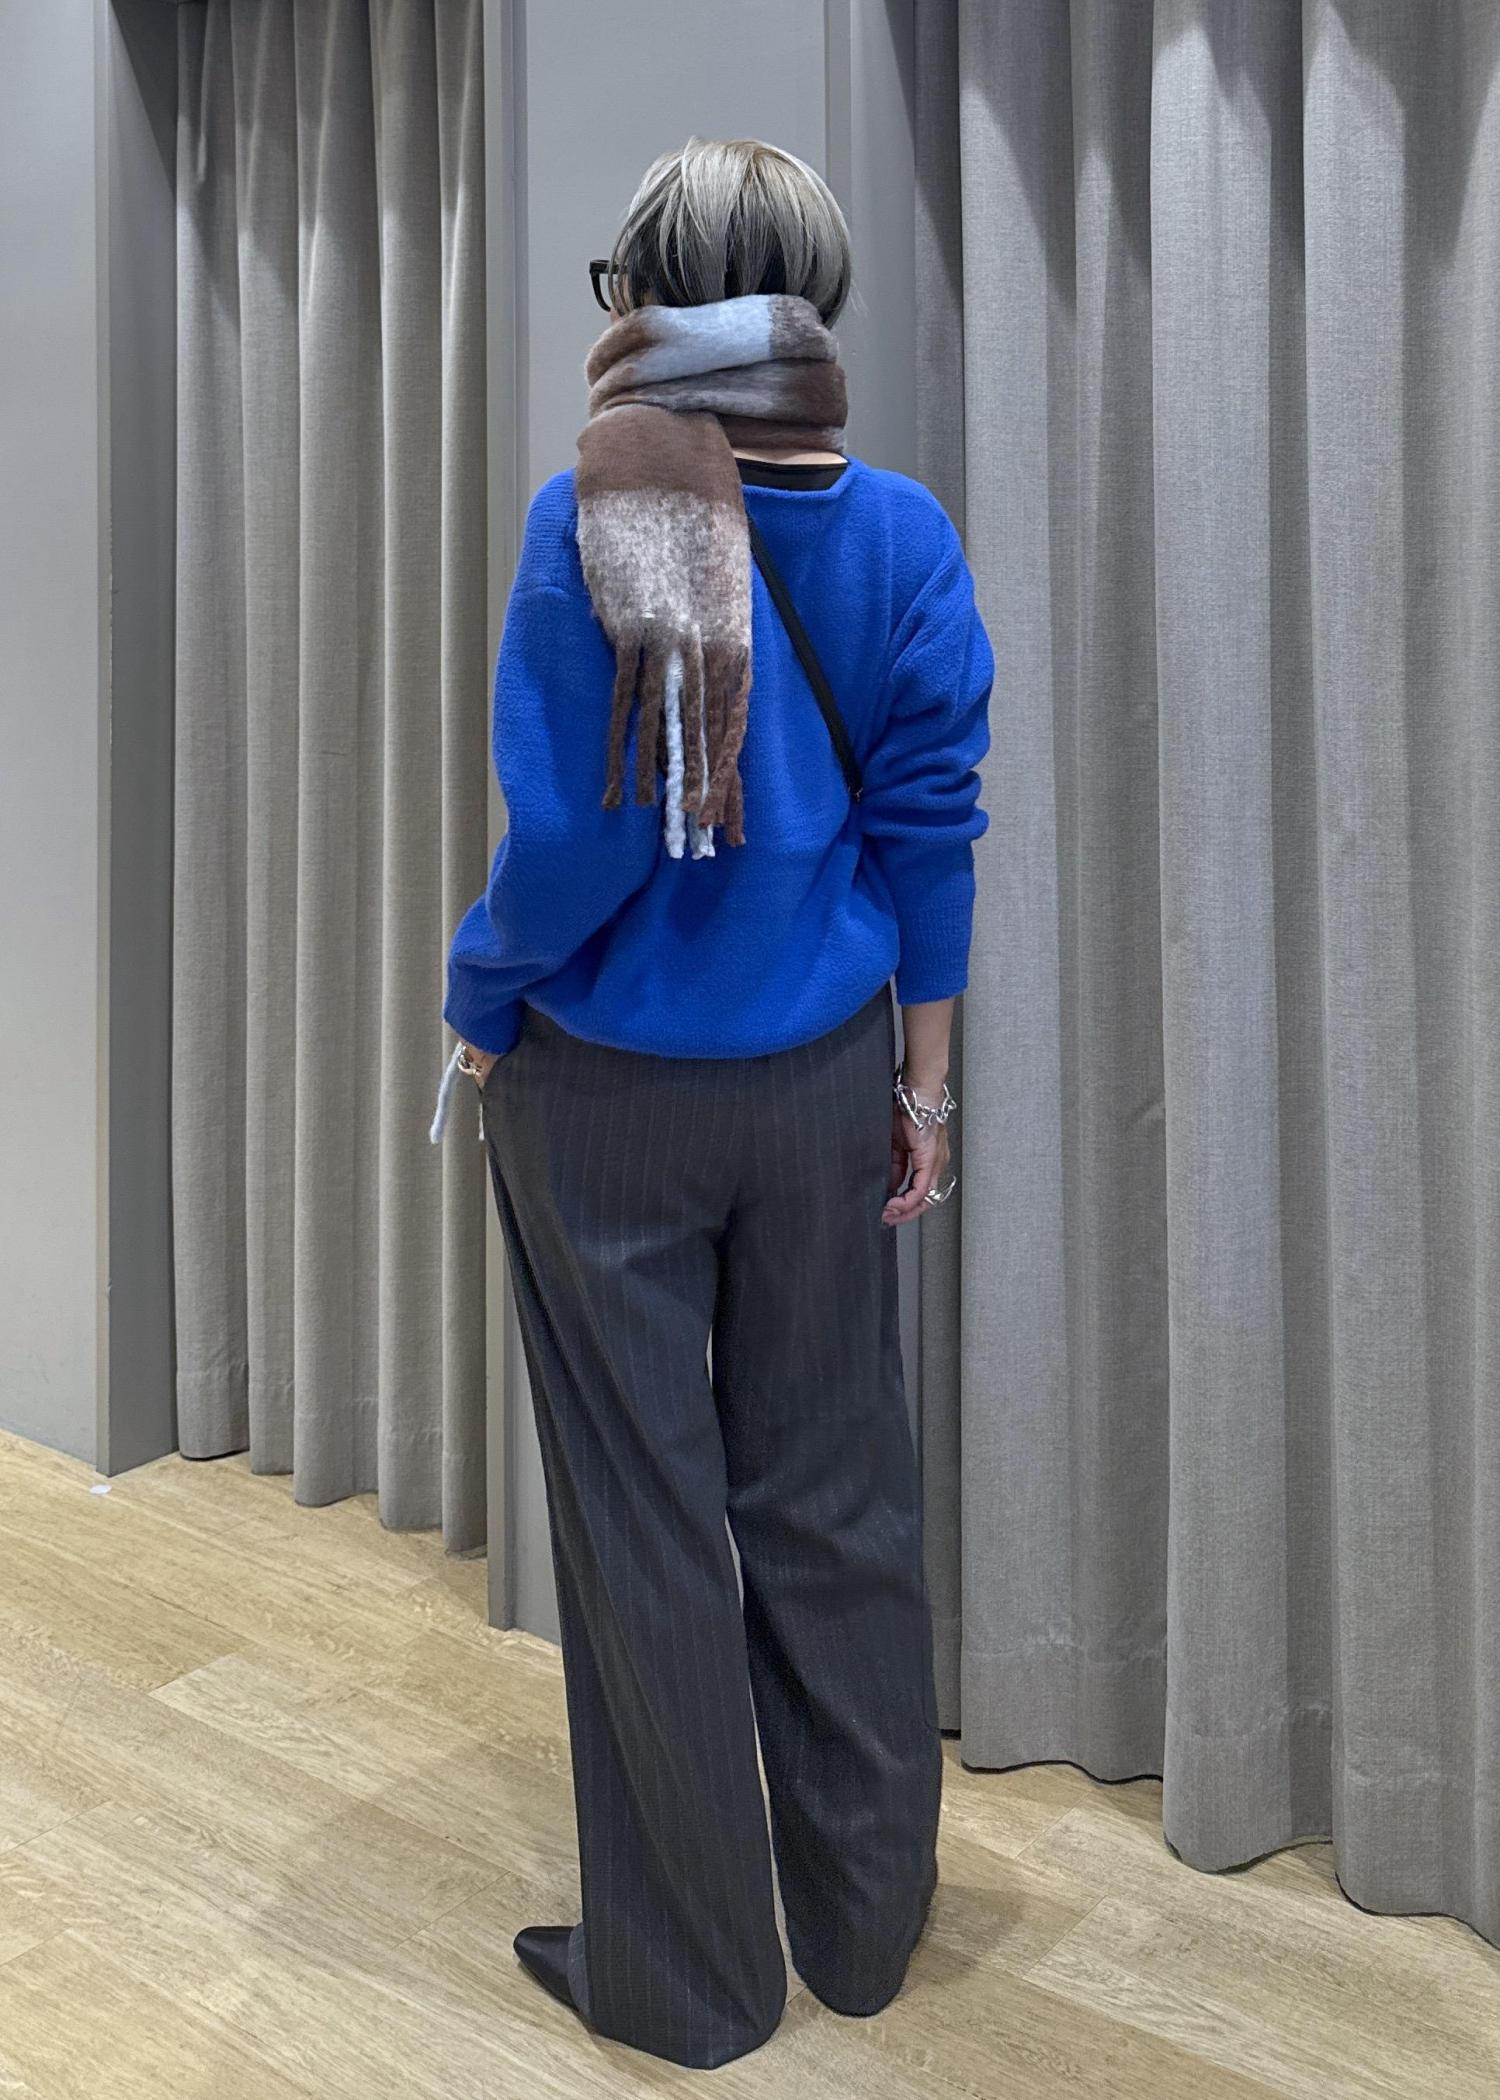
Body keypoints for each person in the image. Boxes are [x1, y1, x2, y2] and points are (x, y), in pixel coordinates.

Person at [430, 135, 993, 2071]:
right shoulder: (902, 529)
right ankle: (863, 1922)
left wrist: (480, 998)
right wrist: (926, 1082)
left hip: (607, 1099)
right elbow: (931, 829)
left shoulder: (589, 515)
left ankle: (690, 1979)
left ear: (649, 298)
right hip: (826, 1078)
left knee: (644, 1514)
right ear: (811, 298)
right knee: (835, 1491)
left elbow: (574, 842)